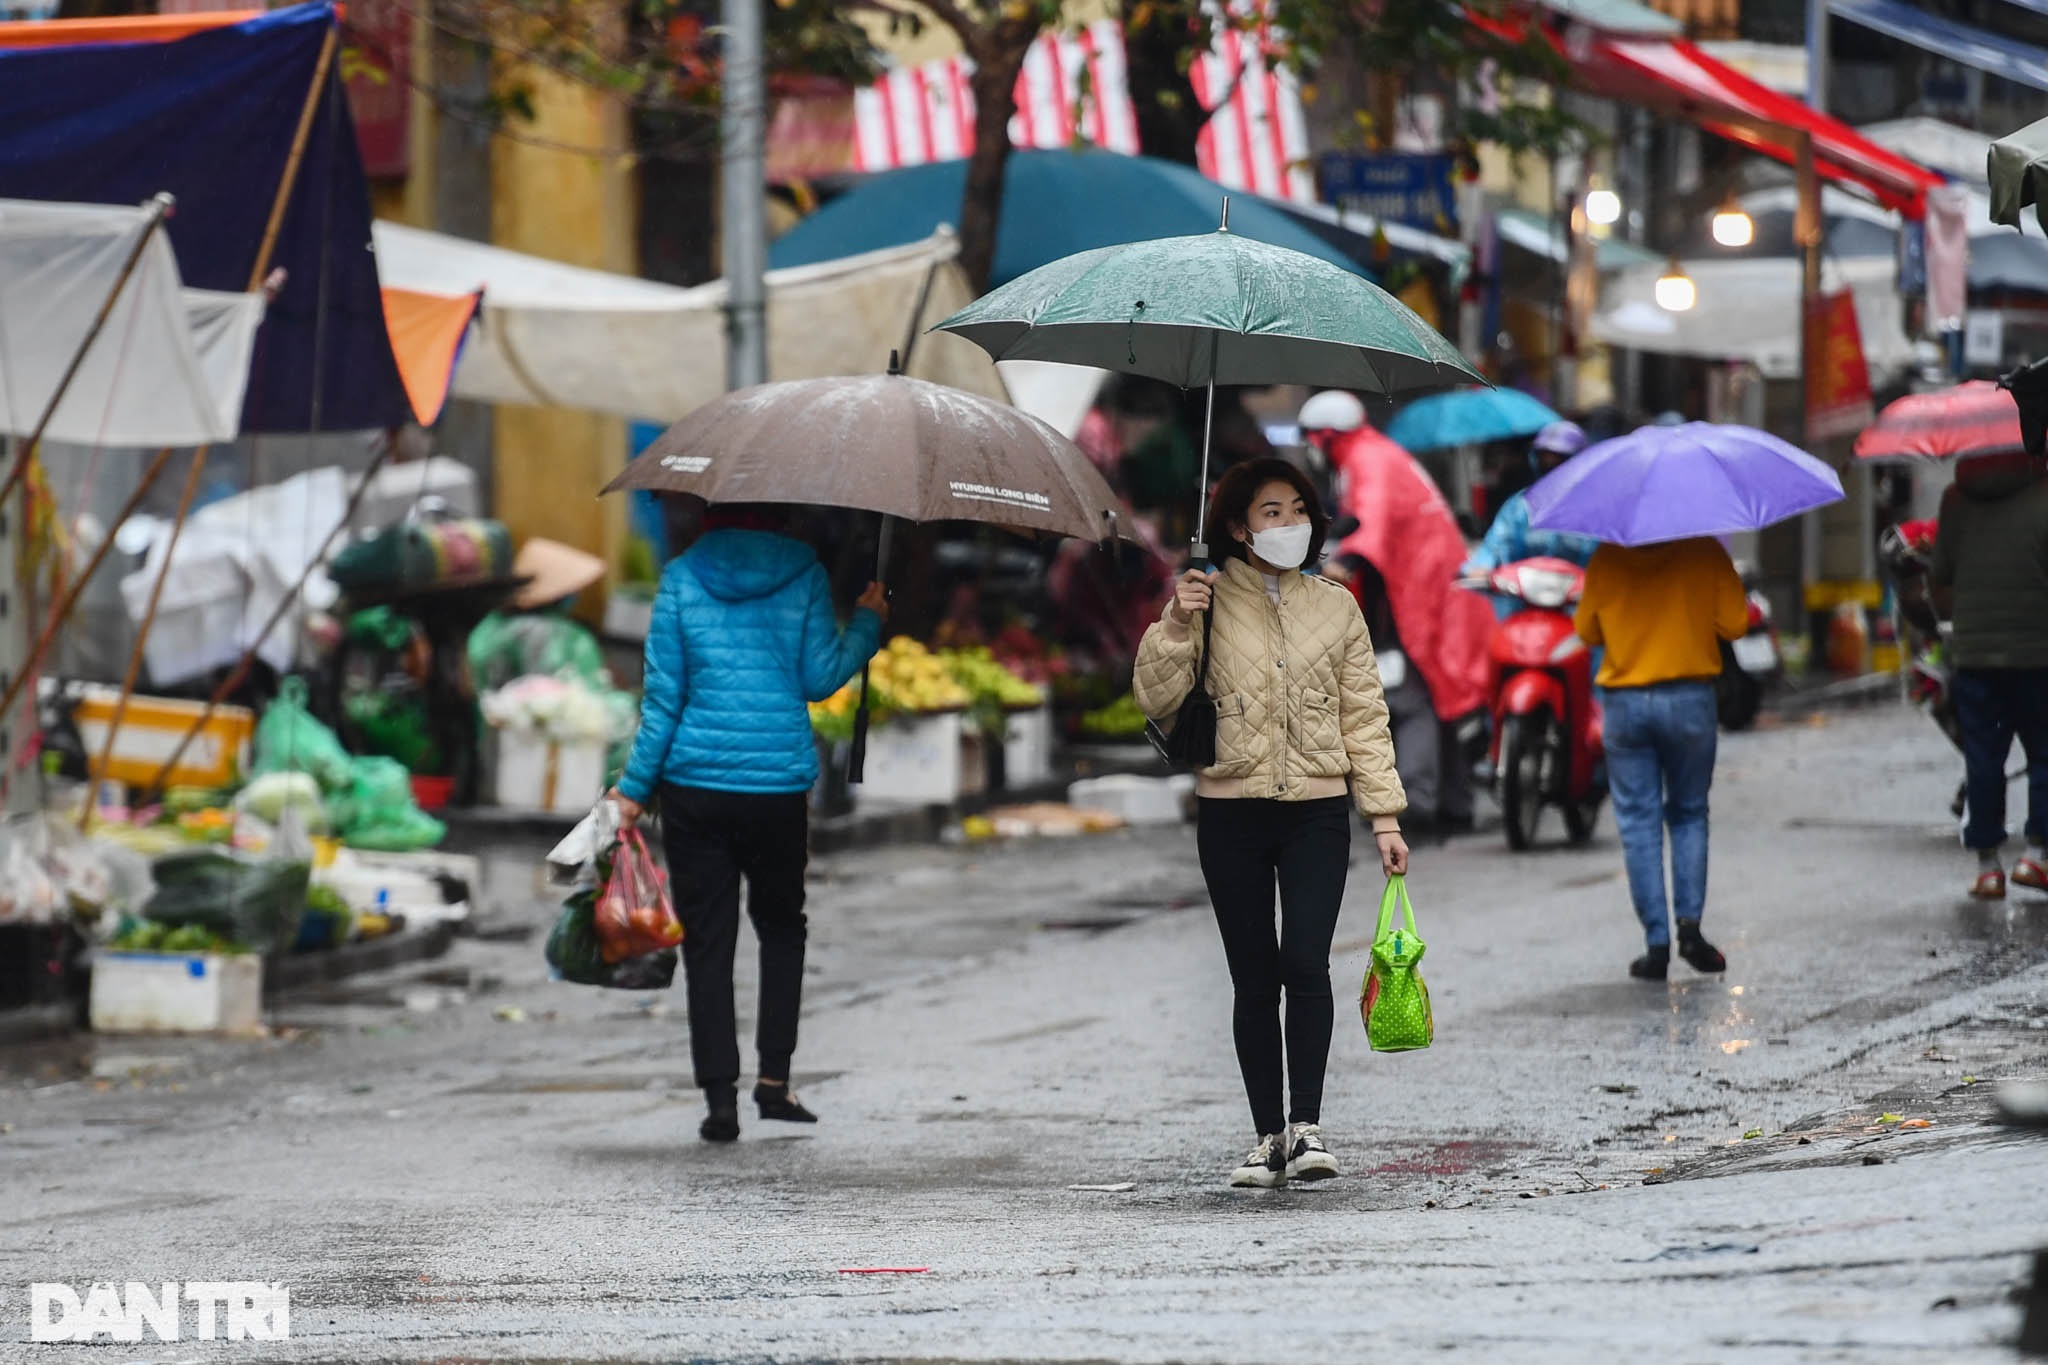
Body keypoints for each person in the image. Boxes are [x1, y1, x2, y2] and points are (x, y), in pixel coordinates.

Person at [1133, 458, 1410, 1190]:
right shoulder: (1206, 599)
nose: (1288, 525)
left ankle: (1309, 1127)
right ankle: (1267, 1135)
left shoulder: (1338, 605)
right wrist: (1176, 618)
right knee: (1254, 978)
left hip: (1317, 812)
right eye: (1270, 511)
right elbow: (1157, 699)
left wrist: (1383, 816)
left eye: (1298, 510)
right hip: (1230, 815)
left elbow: (1365, 716)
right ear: (1236, 524)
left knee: (1305, 962)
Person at [609, 504, 888, 1143]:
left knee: (709, 942)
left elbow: (662, 703)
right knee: (782, 928)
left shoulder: (680, 579)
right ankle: (773, 1081)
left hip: (695, 789)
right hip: (775, 789)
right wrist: (868, 623)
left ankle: (719, 1102)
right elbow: (819, 679)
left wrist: (632, 790)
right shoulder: (806, 572)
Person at [1301, 392, 1491, 837]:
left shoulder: (1367, 460)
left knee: (1409, 699)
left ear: (1324, 438)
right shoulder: (1373, 455)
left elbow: (1371, 525)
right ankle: (1453, 802)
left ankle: (1415, 801)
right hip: (1427, 588)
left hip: (1417, 593)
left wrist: (1345, 566)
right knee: (1437, 695)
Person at [1574, 535, 1747, 980]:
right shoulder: (1705, 549)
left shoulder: (1607, 556)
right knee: (1689, 813)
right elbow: (1736, 625)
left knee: (1638, 824)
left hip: (1625, 705)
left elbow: (1586, 631)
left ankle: (1656, 945)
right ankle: (1690, 929)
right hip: (1690, 700)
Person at [1929, 449, 2048, 899]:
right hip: (2039, 654)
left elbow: (1940, 575)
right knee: (2044, 753)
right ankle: (2036, 856)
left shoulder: (1955, 500)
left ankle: (1988, 868)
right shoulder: (2044, 495)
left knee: (1983, 759)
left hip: (1976, 654)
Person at [1465, 420, 1602, 580]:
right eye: (1544, 458)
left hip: (1583, 597)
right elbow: (1497, 543)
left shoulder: (1597, 507)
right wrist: (1480, 567)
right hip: (1525, 595)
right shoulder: (1521, 505)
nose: (1550, 464)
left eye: (1558, 458)